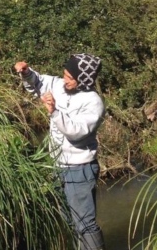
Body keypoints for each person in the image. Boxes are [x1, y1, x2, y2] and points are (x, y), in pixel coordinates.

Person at [14, 54, 106, 250]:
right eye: (64, 74)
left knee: (85, 224)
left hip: (79, 168)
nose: (65, 79)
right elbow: (37, 82)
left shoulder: (93, 102)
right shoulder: (58, 85)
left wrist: (54, 111)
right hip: (58, 166)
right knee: (70, 221)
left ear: (84, 80)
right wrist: (26, 72)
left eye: (70, 77)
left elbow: (76, 133)